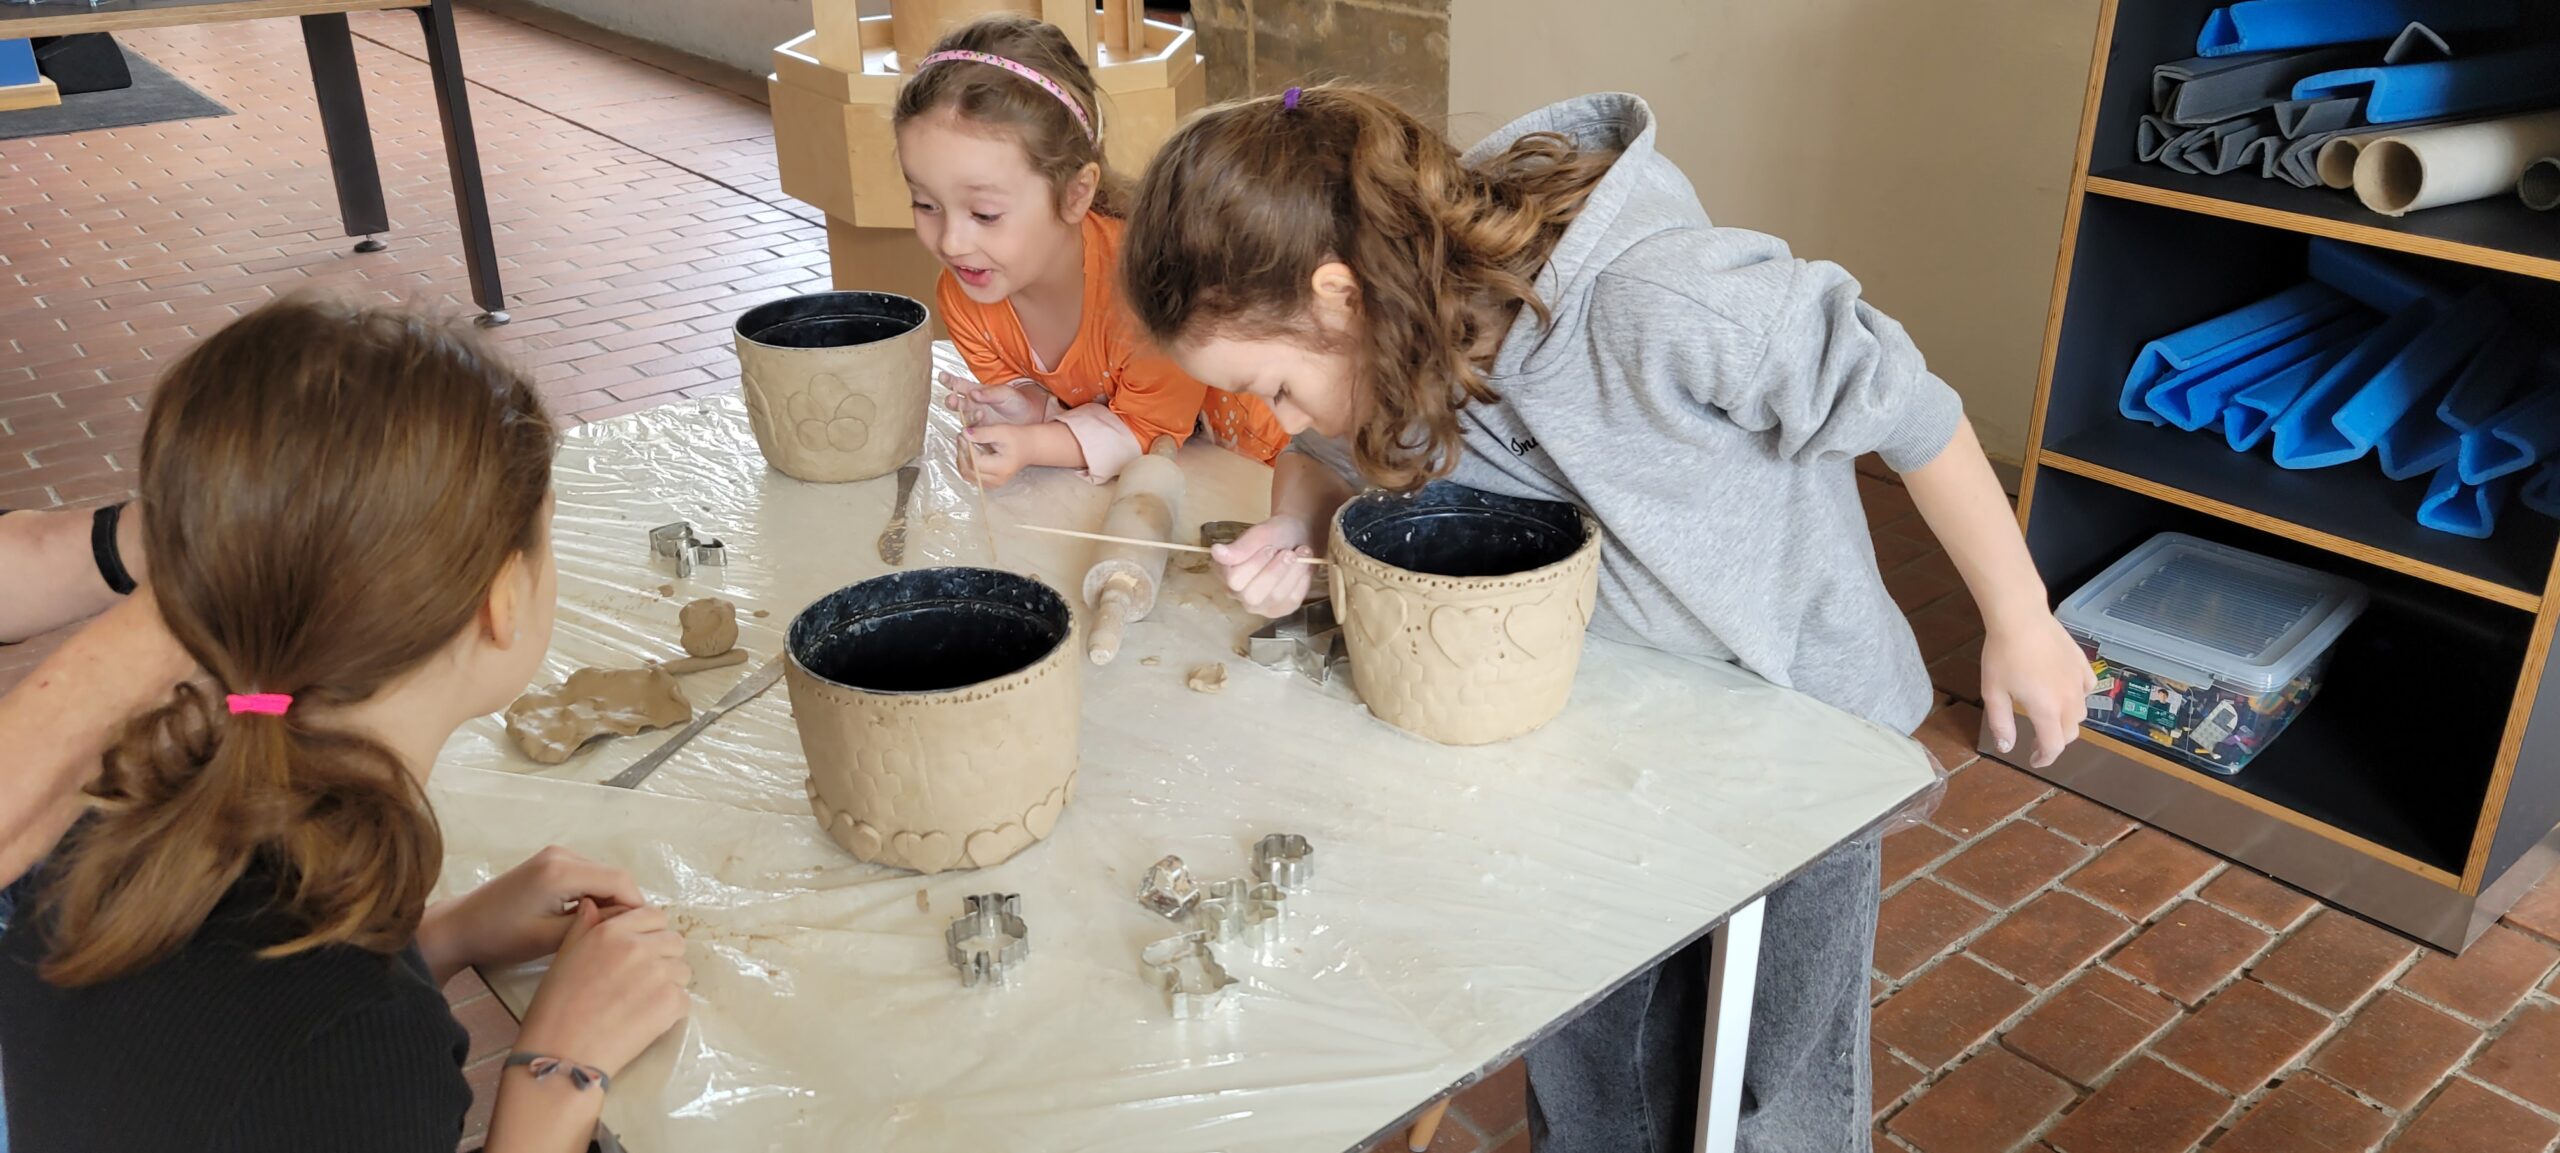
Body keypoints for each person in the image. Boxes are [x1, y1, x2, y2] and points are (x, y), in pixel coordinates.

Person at [1120, 86, 2097, 1153]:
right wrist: (1294, 523)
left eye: (1274, 385)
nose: (1281, 416)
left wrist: (2020, 617)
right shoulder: (1395, 347)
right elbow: (1319, 456)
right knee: (1592, 1037)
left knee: (1774, 1065)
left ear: (1340, 296)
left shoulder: (1667, 300)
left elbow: (1910, 409)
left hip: (1804, 731)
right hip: (1622, 726)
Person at [0, 299, 693, 1153]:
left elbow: (218, 1052)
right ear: (502, 598)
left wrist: (444, 936)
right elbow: (301, 1057)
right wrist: (556, 1072)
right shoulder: (360, 1047)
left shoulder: (109, 820)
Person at [892, 15, 1288, 488]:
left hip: (1268, 467)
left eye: (985, 213)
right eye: (926, 204)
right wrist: (1027, 405)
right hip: (1183, 478)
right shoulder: (966, 296)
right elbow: (1077, 404)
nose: (951, 243)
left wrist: (1033, 445)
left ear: (1076, 193)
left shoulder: (1145, 286)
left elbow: (1151, 429)